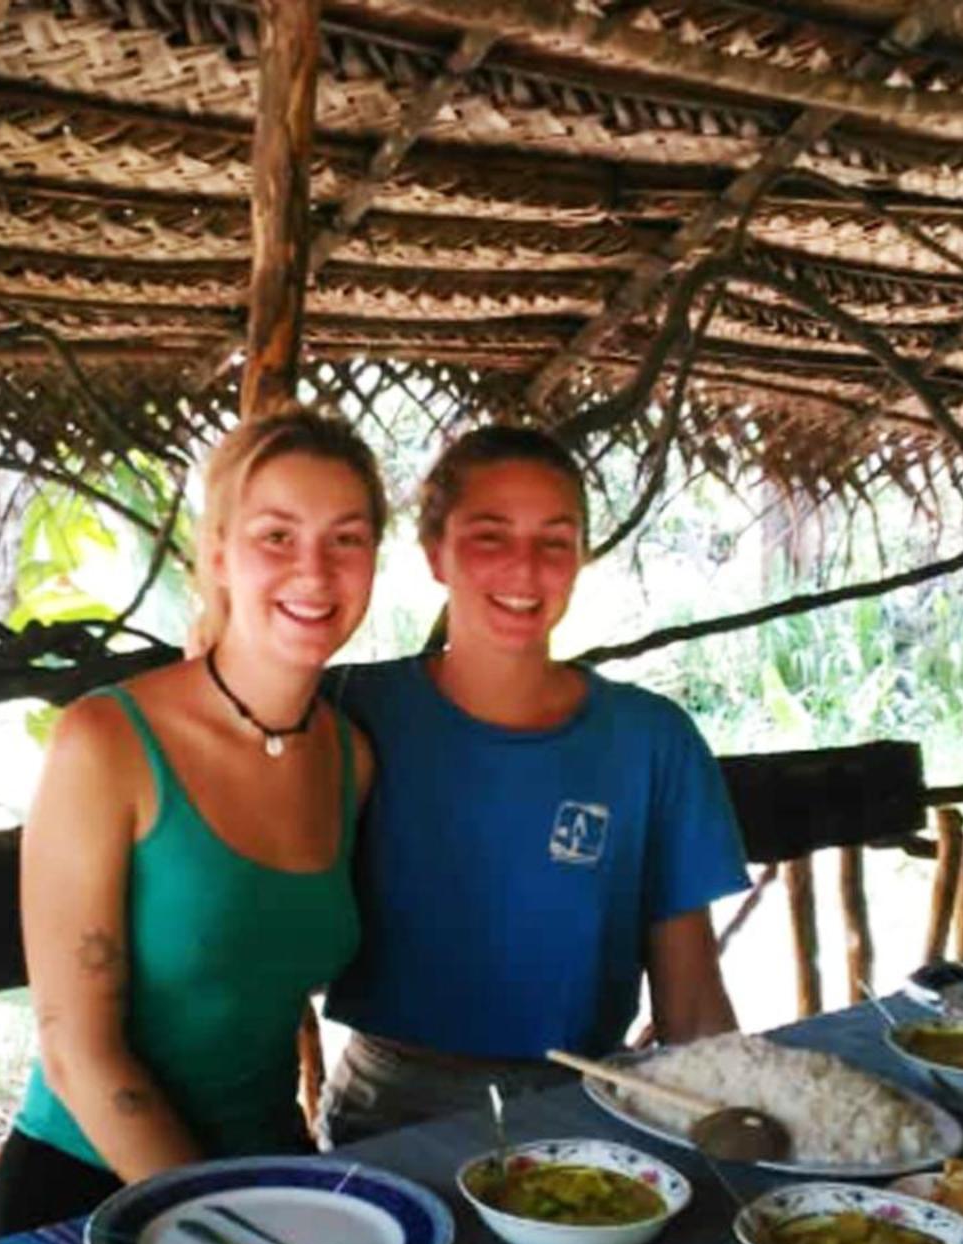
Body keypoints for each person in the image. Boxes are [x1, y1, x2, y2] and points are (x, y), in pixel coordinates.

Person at [0, 410, 387, 1239]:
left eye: (346, 539)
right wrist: (230, 1231)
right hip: (94, 1189)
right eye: (277, 535)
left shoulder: (350, 758)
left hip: (273, 1173)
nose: (315, 570)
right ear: (218, 556)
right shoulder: (108, 743)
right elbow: (78, 1053)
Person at [319, 425, 747, 1144]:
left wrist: (735, 1128)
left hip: (583, 1105)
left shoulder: (650, 739)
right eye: (490, 535)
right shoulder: (347, 710)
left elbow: (693, 1004)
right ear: (435, 553)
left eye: (555, 540)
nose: (525, 567)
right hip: (388, 1110)